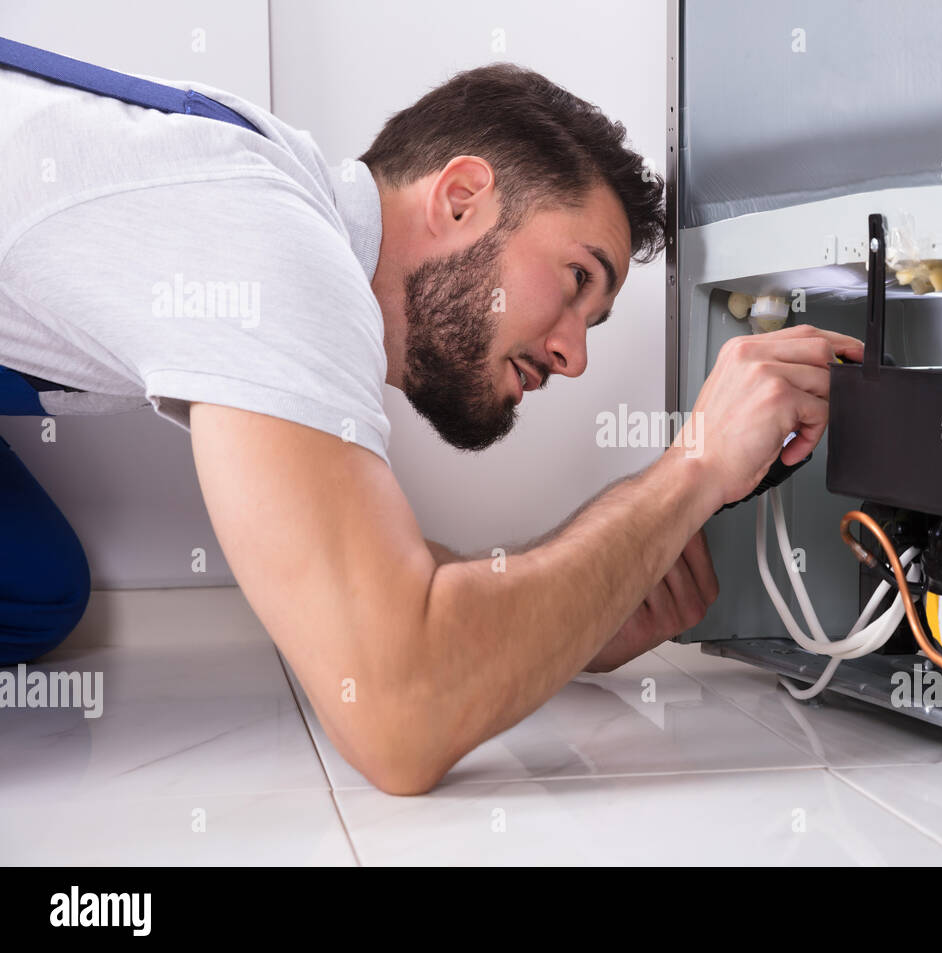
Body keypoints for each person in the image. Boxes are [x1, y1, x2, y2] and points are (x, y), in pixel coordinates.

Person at [0, 54, 862, 792]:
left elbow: (389, 577)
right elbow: (394, 711)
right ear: (460, 198)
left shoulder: (275, 210)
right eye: (574, 280)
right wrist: (694, 469)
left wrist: (571, 615)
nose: (574, 357)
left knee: (39, 588)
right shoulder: (265, 241)